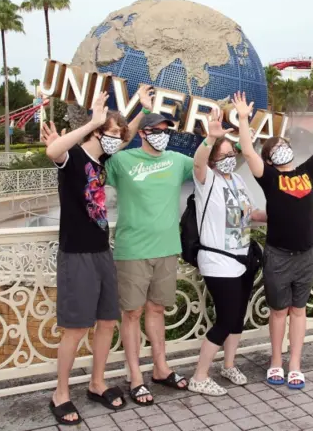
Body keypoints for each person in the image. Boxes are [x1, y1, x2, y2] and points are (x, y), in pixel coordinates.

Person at [41, 88, 148, 426]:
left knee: (106, 321)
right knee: (75, 328)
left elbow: (127, 135)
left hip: (102, 251)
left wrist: (140, 111)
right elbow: (52, 150)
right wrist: (93, 121)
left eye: (119, 135)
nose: (117, 140)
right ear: (97, 132)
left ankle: (97, 382)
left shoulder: (103, 162)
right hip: (76, 255)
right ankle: (60, 393)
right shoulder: (73, 157)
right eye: (110, 134)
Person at [234, 91, 313, 389]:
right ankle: (276, 361)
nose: (283, 149)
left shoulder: (307, 171)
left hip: (305, 255)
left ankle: (295, 364)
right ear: (270, 160)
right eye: (276, 149)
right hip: (278, 255)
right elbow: (247, 151)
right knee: (278, 311)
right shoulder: (269, 178)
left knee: (298, 310)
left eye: (285, 144)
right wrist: (244, 119)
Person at [106, 107, 195, 405]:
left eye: (166, 130)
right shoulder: (122, 160)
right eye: (157, 130)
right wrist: (126, 132)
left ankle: (161, 368)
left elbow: (206, 167)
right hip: (133, 250)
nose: (163, 136)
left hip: (168, 248)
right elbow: (100, 158)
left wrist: (213, 137)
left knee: (157, 310)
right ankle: (135, 377)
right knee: (131, 314)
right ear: (143, 133)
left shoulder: (178, 161)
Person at [187, 108, 267, 396]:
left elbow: (251, 213)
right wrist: (210, 137)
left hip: (243, 258)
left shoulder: (237, 180)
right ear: (212, 159)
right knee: (225, 319)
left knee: (237, 318)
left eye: (232, 151)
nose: (230, 157)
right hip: (218, 262)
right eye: (224, 153)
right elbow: (197, 163)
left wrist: (278, 213)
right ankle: (199, 376)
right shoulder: (207, 180)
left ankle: (228, 364)